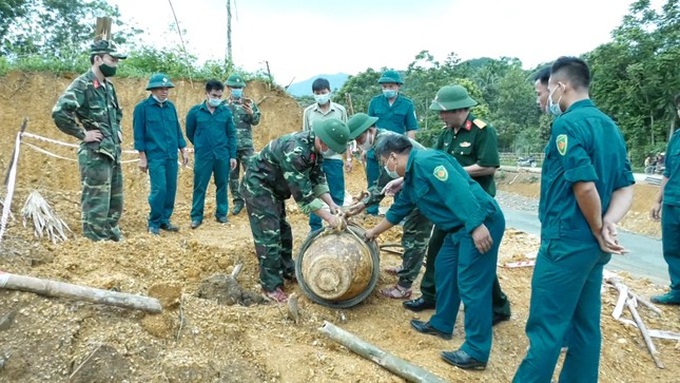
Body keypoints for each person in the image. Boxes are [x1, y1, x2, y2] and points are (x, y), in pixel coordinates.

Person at [513, 57, 635, 383]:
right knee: (585, 326)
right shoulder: (610, 127)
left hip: (566, 242)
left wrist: (598, 225)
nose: (545, 100)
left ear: (560, 87)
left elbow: (584, 185)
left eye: (546, 92)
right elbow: (625, 186)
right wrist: (608, 224)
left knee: (547, 328)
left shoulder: (567, 124)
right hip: (594, 249)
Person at [364, 134, 505, 370]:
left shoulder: (427, 162)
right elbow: (397, 211)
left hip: (480, 223)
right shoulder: (411, 179)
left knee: (472, 285)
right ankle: (442, 323)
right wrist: (372, 233)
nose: (384, 168)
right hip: (457, 228)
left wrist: (477, 226)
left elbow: (457, 190)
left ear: (392, 156)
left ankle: (476, 351)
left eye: (382, 162)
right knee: (444, 270)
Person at [402, 85, 511, 326]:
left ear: (459, 109)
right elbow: (434, 162)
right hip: (450, 206)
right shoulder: (446, 133)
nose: (441, 116)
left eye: (444, 112)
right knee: (438, 248)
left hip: (475, 205)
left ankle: (498, 306)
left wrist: (452, 174)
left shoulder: (482, 131)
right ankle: (432, 296)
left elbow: (489, 165)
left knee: (477, 257)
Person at [242, 118, 350, 302]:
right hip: (259, 186)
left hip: (275, 188)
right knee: (269, 235)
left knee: (284, 231)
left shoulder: (315, 148)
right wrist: (329, 219)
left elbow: (317, 179)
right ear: (322, 140)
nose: (329, 150)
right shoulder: (296, 151)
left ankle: (287, 269)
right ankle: (270, 286)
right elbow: (304, 196)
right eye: (329, 147)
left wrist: (332, 205)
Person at [346, 113, 433, 298]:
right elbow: (385, 183)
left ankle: (404, 286)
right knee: (409, 229)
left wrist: (363, 205)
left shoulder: (383, 144)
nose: (358, 142)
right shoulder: (382, 140)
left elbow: (384, 181)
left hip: (424, 189)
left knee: (416, 236)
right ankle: (406, 267)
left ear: (370, 131)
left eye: (359, 138)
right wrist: (366, 198)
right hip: (412, 185)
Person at [51, 40, 127, 241]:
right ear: (97, 59)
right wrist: (83, 134)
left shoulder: (108, 87)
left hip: (112, 151)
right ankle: (94, 240)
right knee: (96, 199)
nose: (115, 64)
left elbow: (117, 113)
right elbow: (60, 112)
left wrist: (117, 130)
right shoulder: (82, 84)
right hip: (94, 153)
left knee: (115, 200)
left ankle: (111, 235)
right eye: (112, 60)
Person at [132, 73, 189, 235]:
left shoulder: (171, 107)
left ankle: (165, 220)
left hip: (171, 156)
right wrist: (142, 157)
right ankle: (154, 222)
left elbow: (177, 131)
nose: (164, 91)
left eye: (166, 88)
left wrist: (183, 149)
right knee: (160, 189)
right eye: (160, 88)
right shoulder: (142, 109)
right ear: (152, 90)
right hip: (155, 157)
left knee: (171, 189)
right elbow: (139, 134)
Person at [364, 70, 419, 215]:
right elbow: (368, 127)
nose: (387, 89)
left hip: (397, 152)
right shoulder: (375, 102)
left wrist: (409, 153)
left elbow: (411, 130)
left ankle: (399, 213)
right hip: (375, 150)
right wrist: (365, 149)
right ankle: (371, 212)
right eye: (384, 87)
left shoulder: (407, 104)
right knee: (373, 181)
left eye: (390, 86)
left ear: (398, 86)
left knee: (399, 184)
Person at [185, 79, 237, 229]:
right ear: (207, 93)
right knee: (200, 186)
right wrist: (200, 144)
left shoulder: (225, 112)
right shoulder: (195, 112)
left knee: (222, 184)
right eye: (214, 95)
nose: (217, 99)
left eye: (219, 96)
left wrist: (232, 155)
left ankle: (221, 214)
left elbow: (231, 134)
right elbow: (190, 131)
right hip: (203, 156)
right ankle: (196, 216)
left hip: (222, 155)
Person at [302, 78, 349, 232]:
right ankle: (315, 228)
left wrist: (348, 157)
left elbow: (345, 136)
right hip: (315, 159)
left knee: (336, 192)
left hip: (334, 158)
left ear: (329, 91)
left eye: (323, 92)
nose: (321, 95)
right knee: (315, 192)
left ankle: (338, 223)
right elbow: (305, 135)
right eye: (317, 93)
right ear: (313, 94)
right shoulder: (308, 112)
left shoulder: (340, 110)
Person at [650, 93, 680, 305]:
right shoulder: (676, 138)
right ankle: (677, 291)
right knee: (672, 248)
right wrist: (657, 200)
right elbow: (667, 172)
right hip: (672, 202)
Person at [224, 73, 260, 216]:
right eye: (234, 87)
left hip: (247, 147)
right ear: (228, 88)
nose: (237, 89)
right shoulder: (223, 106)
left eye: (239, 87)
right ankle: (238, 201)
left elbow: (256, 121)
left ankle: (253, 202)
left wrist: (252, 113)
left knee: (252, 174)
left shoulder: (249, 103)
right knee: (232, 177)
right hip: (230, 148)